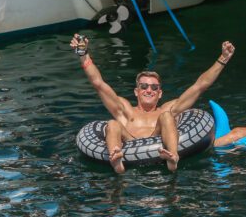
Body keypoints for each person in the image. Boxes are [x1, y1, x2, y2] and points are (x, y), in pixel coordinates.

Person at [70, 34, 235, 173]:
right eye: (144, 86)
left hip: (161, 148)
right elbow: (98, 83)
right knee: (112, 124)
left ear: (160, 93)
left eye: (154, 87)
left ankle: (173, 157)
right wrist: (83, 53)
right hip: (129, 146)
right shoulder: (125, 111)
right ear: (136, 91)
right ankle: (116, 161)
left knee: (166, 116)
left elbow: (200, 86)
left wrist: (223, 59)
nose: (149, 90)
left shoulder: (168, 108)